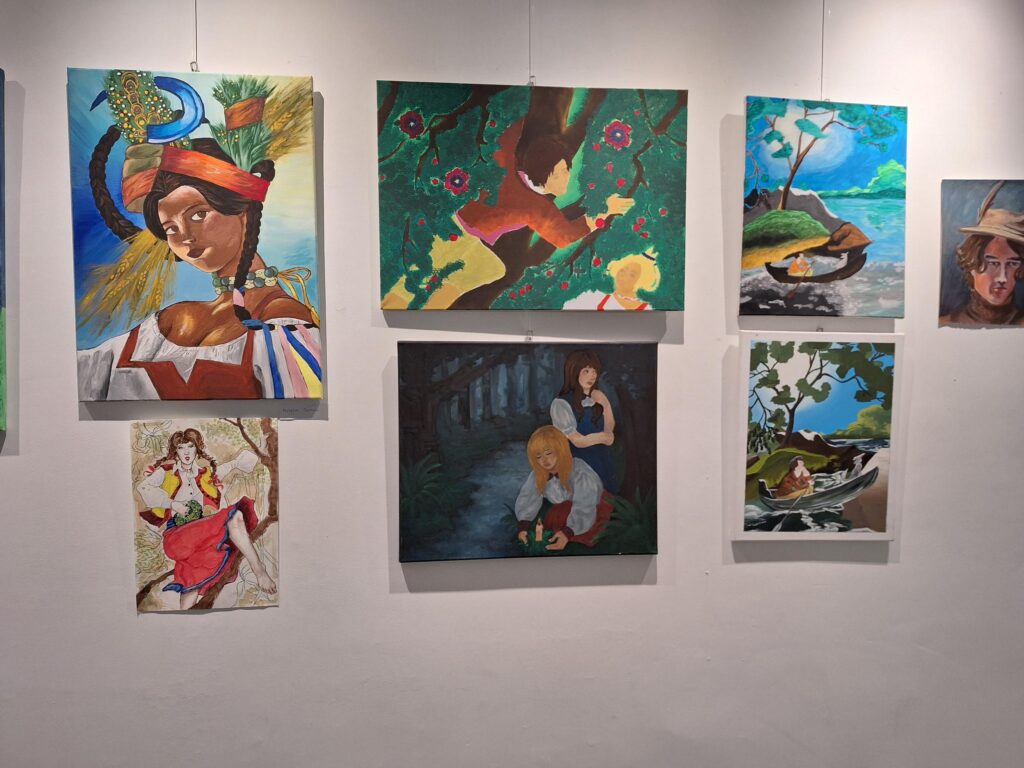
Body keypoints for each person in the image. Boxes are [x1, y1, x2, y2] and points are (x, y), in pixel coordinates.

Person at [76, 71, 322, 400]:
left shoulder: (282, 321)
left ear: (244, 211)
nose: (185, 238)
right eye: (170, 228)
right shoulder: (168, 321)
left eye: (198, 214)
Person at [380, 119, 634, 309]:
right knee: (451, 273)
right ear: (545, 171)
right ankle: (418, 302)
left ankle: (425, 301)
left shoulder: (512, 170)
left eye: (567, 169)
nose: (567, 176)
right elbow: (563, 236)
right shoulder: (535, 206)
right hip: (452, 231)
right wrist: (606, 211)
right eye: (562, 171)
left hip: (458, 230)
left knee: (481, 269)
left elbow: (507, 137)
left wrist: (517, 118)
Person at [136, 427, 277, 609]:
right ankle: (259, 569)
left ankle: (185, 619)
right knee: (234, 516)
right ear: (175, 451)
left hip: (201, 536)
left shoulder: (206, 474)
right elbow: (144, 488)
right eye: (181, 448)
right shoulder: (166, 472)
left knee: (191, 583)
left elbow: (235, 464)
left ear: (197, 449)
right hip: (177, 537)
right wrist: (173, 504)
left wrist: (259, 450)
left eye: (190, 446)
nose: (186, 452)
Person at [514, 426, 613, 551]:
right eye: (538, 456)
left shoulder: (579, 470)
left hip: (593, 507)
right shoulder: (538, 474)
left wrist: (568, 532)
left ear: (560, 450)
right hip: (563, 509)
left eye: (548, 453)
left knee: (579, 542)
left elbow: (585, 503)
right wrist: (523, 526)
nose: (544, 460)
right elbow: (528, 497)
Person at [941, 182, 1024, 326]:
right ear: (971, 264)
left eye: (1012, 264)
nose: (1002, 278)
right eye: (993, 263)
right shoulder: (946, 324)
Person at [549, 348, 618, 493]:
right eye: (586, 371)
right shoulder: (561, 404)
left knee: (608, 498)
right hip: (579, 466)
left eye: (594, 371)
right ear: (574, 372)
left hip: (604, 462)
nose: (592, 376)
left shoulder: (599, 397)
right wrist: (604, 437)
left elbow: (610, 428)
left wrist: (605, 404)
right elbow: (578, 441)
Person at [562, 251, 661, 310]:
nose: (623, 276)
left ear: (642, 280)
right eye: (622, 270)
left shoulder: (650, 309)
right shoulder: (596, 297)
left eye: (632, 275)